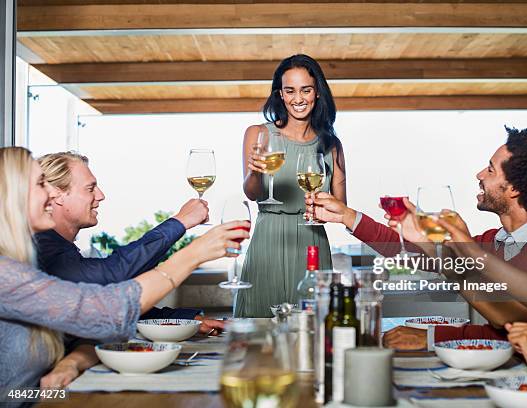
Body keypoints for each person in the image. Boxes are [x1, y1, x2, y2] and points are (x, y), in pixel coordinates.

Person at [308, 127, 527, 369]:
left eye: (490, 169)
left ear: (513, 188)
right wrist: (346, 215)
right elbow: (415, 254)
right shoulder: (493, 239)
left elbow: (515, 329)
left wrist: (432, 337)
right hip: (496, 375)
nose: (479, 174)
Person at [0, 147, 249, 392]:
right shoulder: (10, 271)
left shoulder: (23, 262)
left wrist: (73, 362)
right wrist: (192, 252)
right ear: (14, 195)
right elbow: (107, 301)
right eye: (41, 184)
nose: (50, 193)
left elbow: (88, 313)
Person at [35, 152, 221, 331]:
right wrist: (180, 222)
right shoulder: (43, 248)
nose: (101, 195)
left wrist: (187, 320)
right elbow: (115, 275)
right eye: (90, 188)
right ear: (56, 195)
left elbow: (109, 305)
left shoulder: (60, 247)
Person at [236, 54, 346, 317]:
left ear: (317, 92)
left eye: (306, 90)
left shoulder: (331, 145)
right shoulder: (258, 133)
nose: (298, 99)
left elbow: (341, 207)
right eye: (290, 91)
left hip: (312, 241)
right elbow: (253, 194)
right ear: (281, 95)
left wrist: (320, 205)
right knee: (259, 330)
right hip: (268, 239)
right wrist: (254, 171)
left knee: (314, 330)